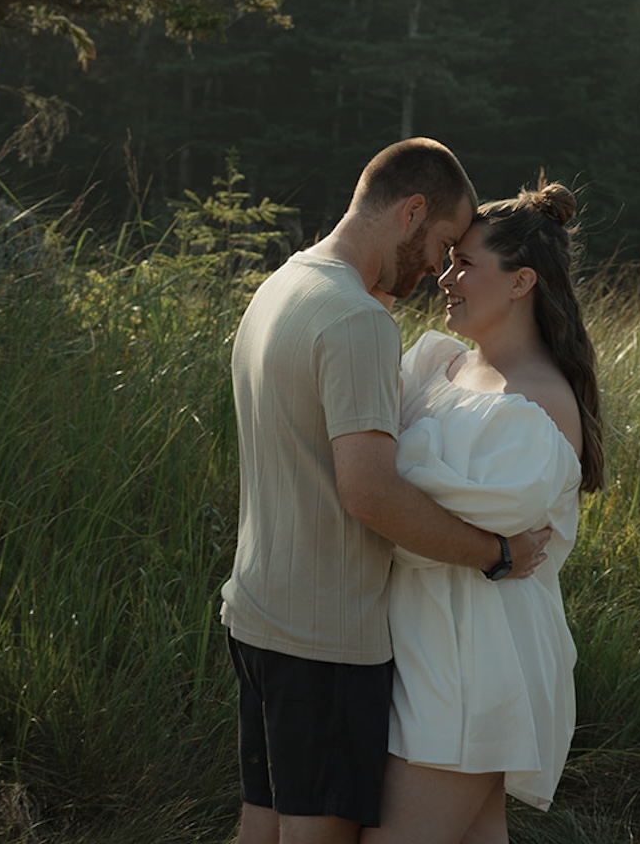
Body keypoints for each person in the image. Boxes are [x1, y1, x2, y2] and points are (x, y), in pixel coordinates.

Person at [220, 139, 553, 844]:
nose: (438, 270)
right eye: (440, 246)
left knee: (262, 827)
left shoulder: (281, 284)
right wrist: (495, 553)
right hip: (325, 638)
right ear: (411, 211)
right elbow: (370, 494)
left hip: (255, 615)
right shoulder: (357, 320)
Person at [363, 180, 604, 844]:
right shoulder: (442, 365)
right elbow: (399, 497)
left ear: (522, 281)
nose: (444, 276)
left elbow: (403, 521)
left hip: (476, 667)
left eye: (465, 264)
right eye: (448, 259)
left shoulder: (540, 406)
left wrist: (385, 486)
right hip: (427, 653)